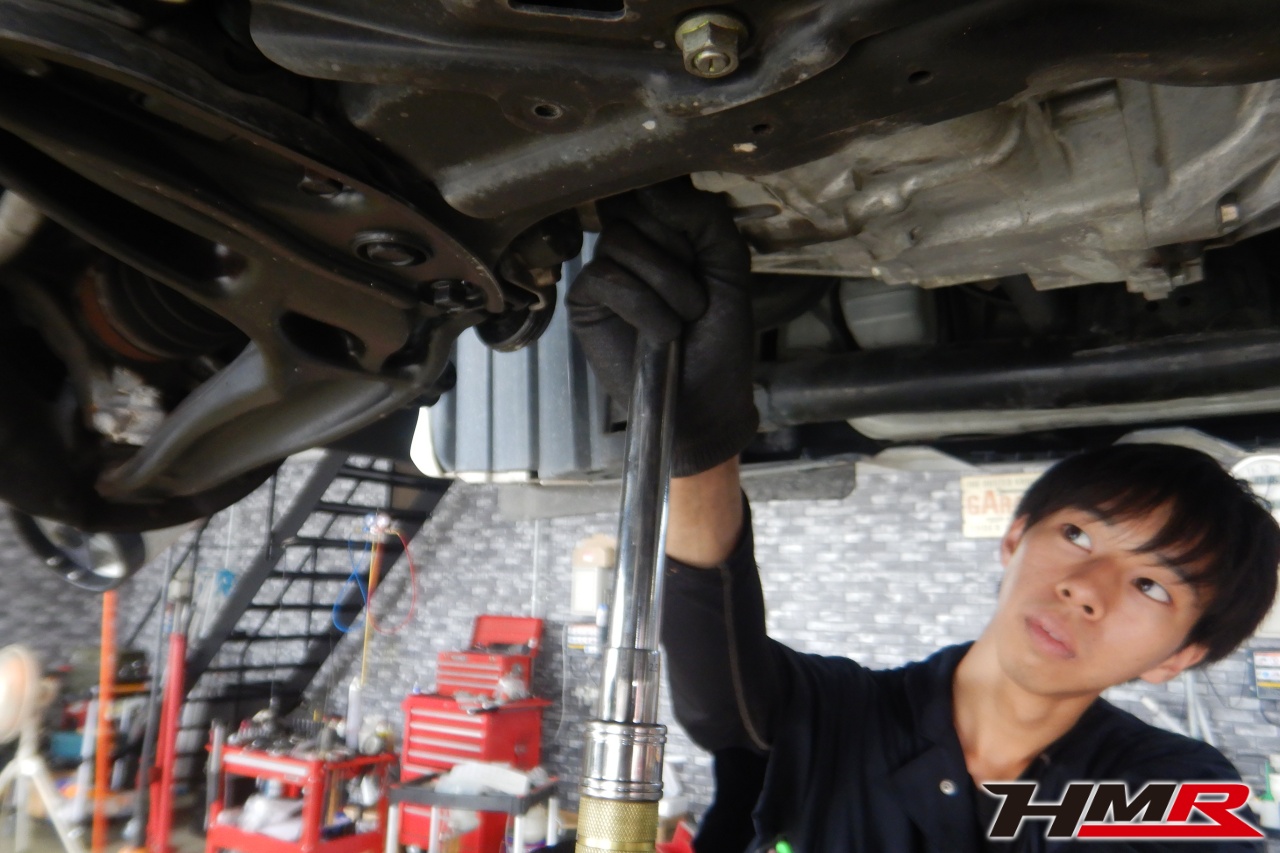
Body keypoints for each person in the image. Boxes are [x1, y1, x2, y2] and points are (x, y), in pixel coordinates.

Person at [567, 181, 1280, 852]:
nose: (1086, 588)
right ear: (1014, 538)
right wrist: (696, 446)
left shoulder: (1163, 793)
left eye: (1153, 585)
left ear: (1180, 656)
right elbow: (721, 689)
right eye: (1078, 534)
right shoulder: (835, 718)